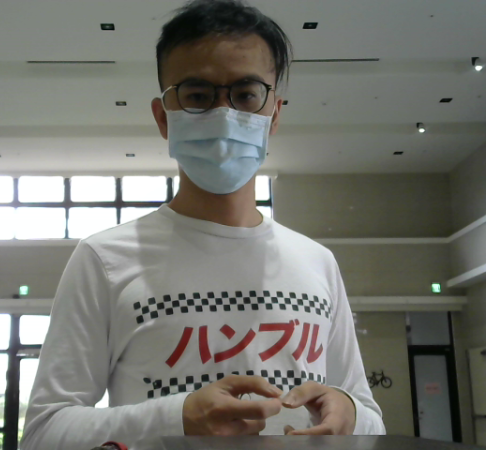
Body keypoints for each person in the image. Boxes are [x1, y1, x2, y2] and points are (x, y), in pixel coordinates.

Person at [21, 1, 386, 448]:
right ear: (163, 117)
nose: (223, 113)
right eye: (197, 96)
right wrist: (176, 417)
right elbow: (43, 433)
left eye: (246, 94)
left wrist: (351, 412)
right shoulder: (105, 259)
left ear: (274, 114)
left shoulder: (317, 262)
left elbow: (369, 417)